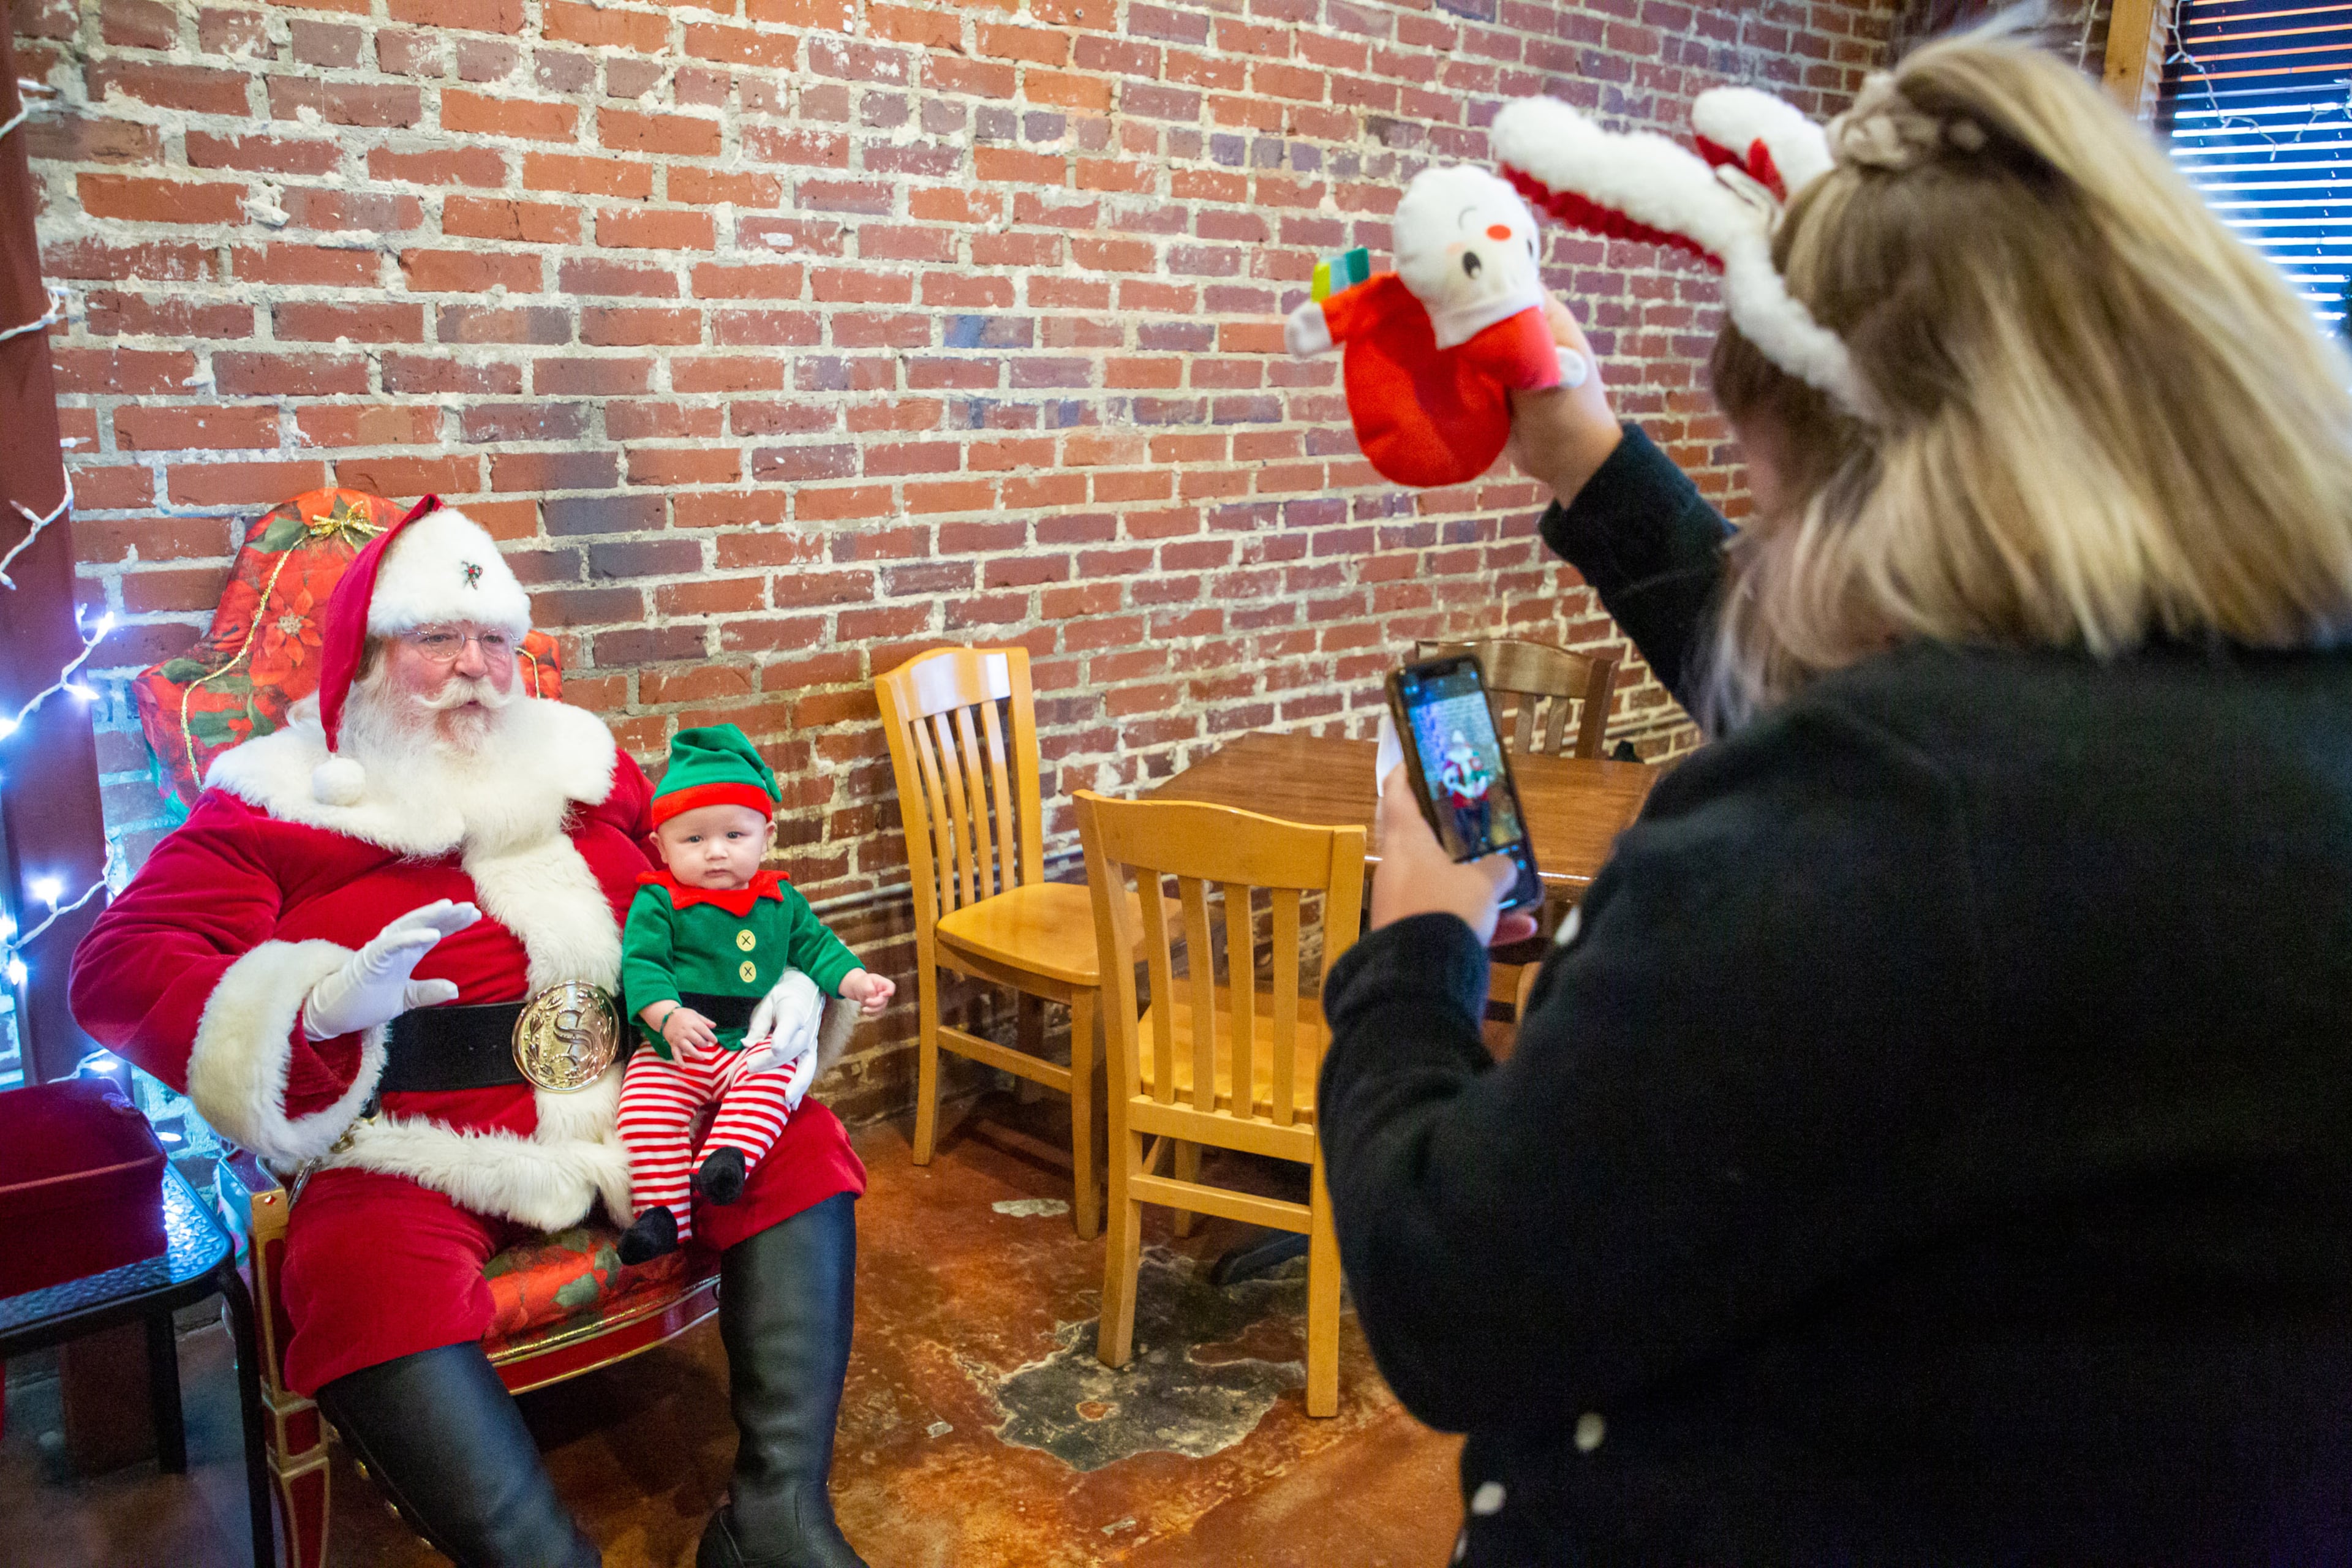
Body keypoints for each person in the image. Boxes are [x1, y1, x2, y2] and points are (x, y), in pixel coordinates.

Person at [1317, 28, 2352, 1566]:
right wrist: (1590, 464)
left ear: (1900, 488)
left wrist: (1411, 956)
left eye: (1779, 492)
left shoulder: (1903, 823)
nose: (1776, 550)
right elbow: (1885, 711)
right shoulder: (2254, 723)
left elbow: (1454, 1290)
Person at [70, 499, 872, 1568]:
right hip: (417, 1133)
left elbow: (705, 875)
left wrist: (775, 983)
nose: (476, 668)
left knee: (799, 1143)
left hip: (641, 1088)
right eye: (437, 638)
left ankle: (773, 1519)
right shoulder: (274, 805)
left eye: (494, 640)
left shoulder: (587, 767)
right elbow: (119, 966)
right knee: (355, 1271)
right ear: (364, 659)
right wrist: (308, 1010)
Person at [617, 722, 894, 1265]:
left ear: (766, 836)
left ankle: (728, 1159)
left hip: (752, 1039)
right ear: (660, 847)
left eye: (734, 836)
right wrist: (667, 1015)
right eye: (693, 840)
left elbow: (817, 949)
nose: (715, 853)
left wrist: (857, 981)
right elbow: (643, 965)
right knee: (643, 1108)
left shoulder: (779, 900)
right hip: (681, 1043)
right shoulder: (658, 901)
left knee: (773, 1084)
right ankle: (661, 1214)